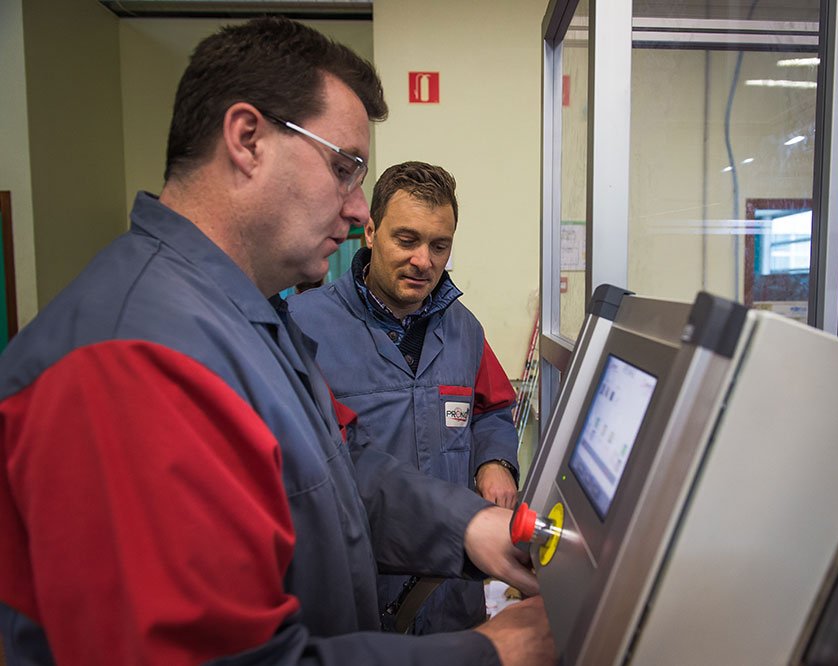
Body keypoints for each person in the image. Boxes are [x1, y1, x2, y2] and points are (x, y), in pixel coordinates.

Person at [0, 16, 553, 666]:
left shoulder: (246, 318)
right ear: (247, 140)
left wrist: (465, 524)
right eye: (343, 168)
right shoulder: (134, 360)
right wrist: (487, 656)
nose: (355, 212)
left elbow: (339, 468)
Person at [288, 162, 520, 634]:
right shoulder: (300, 326)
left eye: (440, 245)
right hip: (360, 598)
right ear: (371, 231)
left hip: (451, 592)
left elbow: (492, 410)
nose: (424, 261)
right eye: (407, 239)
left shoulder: (464, 330)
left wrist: (494, 460)